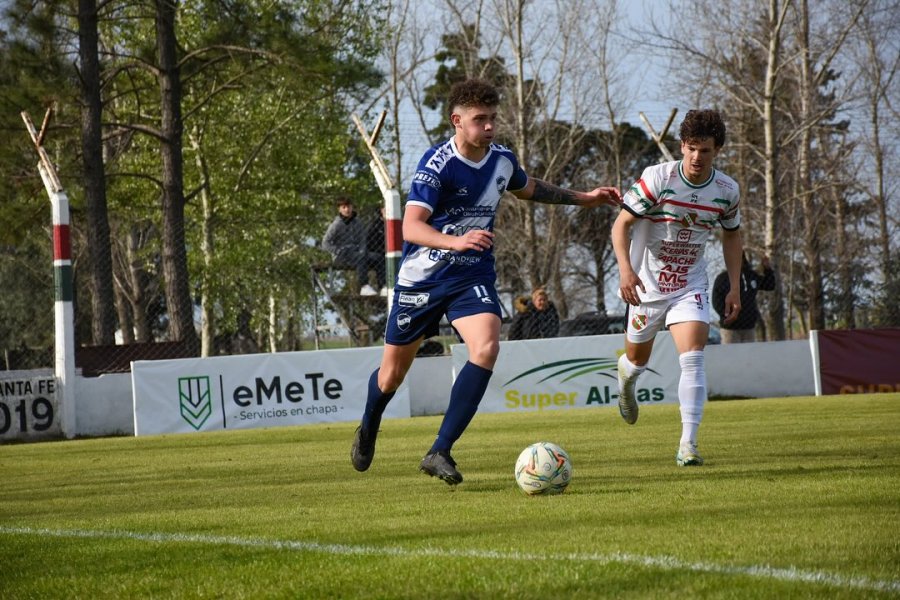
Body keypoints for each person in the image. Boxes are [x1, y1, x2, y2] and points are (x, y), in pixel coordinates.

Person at [351, 78, 621, 485]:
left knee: (487, 346)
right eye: (480, 120)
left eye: (493, 119)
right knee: (390, 377)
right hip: (422, 280)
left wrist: (587, 197)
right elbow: (411, 227)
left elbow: (530, 189)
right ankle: (370, 423)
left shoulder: (502, 160)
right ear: (456, 121)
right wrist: (455, 241)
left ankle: (440, 449)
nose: (490, 127)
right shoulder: (436, 164)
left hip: (471, 275)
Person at [611, 109, 743, 467]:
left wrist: (734, 287)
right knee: (637, 360)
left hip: (690, 284)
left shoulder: (727, 190)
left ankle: (688, 444)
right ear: (682, 146)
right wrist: (626, 271)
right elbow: (621, 225)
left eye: (706, 151)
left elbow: (732, 235)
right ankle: (626, 379)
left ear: (717, 151)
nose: (697, 157)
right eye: (691, 148)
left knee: (694, 357)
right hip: (646, 286)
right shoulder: (658, 177)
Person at [322, 196, 386, 296]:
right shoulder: (336, 225)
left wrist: (362, 250)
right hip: (341, 256)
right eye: (344, 207)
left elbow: (362, 240)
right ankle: (364, 286)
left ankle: (383, 287)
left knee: (378, 258)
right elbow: (325, 243)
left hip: (357, 253)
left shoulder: (358, 223)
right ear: (340, 209)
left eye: (349, 207)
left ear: (352, 207)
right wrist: (338, 250)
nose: (347, 209)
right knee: (361, 257)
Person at [712, 252, 775, 343]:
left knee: (749, 356)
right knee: (731, 356)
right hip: (730, 329)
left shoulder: (751, 276)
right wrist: (728, 316)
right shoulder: (722, 279)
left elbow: (770, 285)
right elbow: (716, 302)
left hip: (749, 328)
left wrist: (767, 269)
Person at [364, 206, 389, 296]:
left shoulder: (397, 224)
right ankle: (383, 286)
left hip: (391, 253)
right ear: (381, 211)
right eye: (385, 209)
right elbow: (370, 243)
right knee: (380, 259)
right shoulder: (375, 225)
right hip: (378, 253)